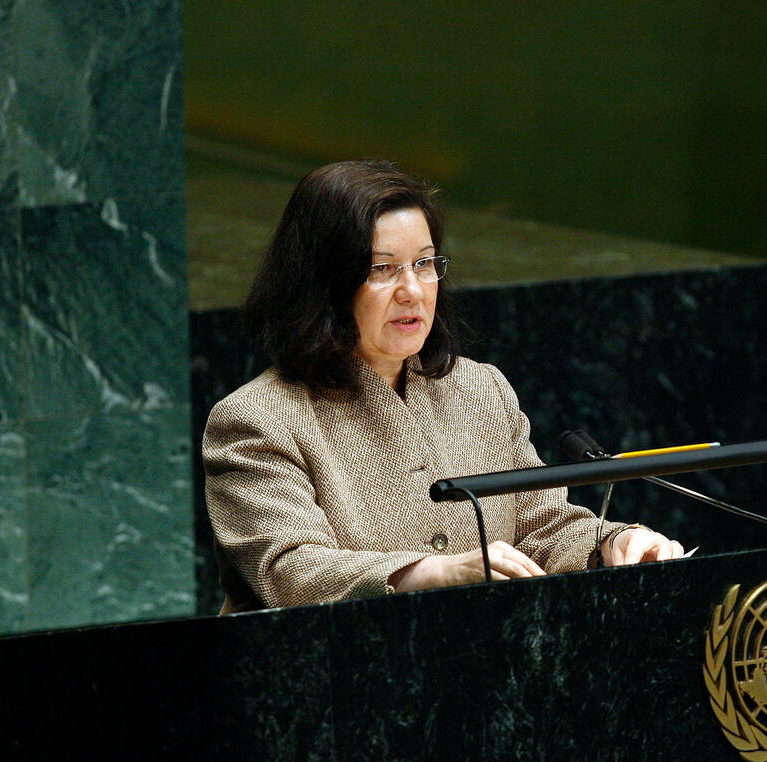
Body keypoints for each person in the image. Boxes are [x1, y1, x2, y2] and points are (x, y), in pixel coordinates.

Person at [203, 160, 684, 612]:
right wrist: (432, 573)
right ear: (323, 285)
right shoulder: (257, 419)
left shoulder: (480, 389)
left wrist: (611, 544)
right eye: (381, 268)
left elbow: (542, 527)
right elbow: (288, 571)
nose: (412, 290)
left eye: (425, 263)